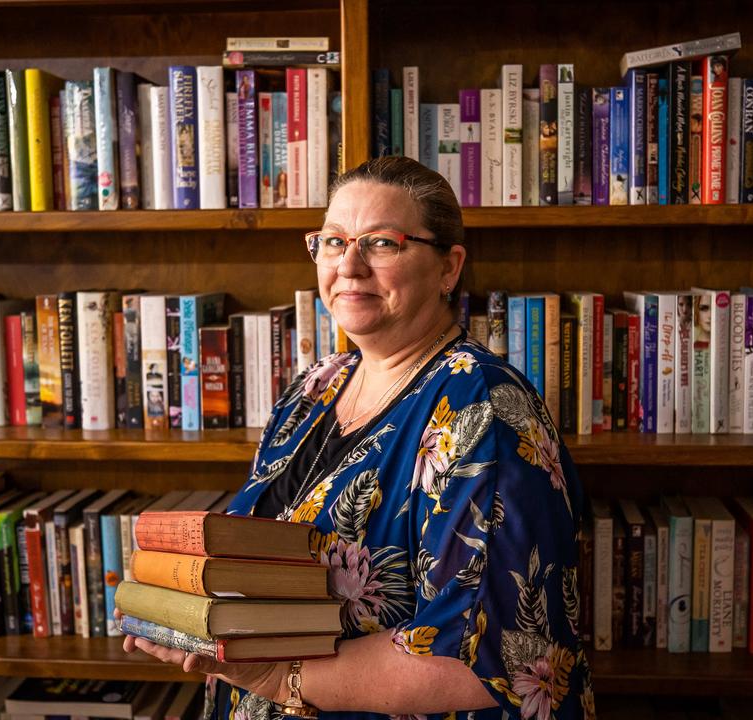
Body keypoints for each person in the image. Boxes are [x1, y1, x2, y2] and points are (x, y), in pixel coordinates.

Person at [123, 156, 593, 720]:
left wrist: (276, 676)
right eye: (332, 241)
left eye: (381, 243)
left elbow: (484, 663)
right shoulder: (315, 386)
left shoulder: (480, 408)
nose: (349, 265)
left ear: (449, 268)